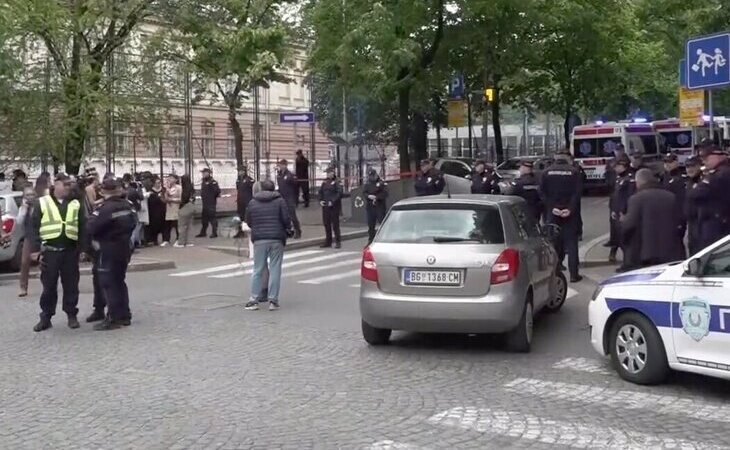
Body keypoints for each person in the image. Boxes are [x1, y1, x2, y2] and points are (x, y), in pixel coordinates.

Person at [29, 173, 84, 332]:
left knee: (71, 285)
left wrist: (83, 248)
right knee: (49, 286)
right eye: (65, 184)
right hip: (50, 251)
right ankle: (46, 317)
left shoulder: (75, 203)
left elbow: (82, 226)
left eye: (69, 185)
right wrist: (35, 249)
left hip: (70, 251)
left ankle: (71, 314)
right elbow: (33, 228)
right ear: (56, 184)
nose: (68, 188)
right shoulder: (42, 203)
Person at [85, 176, 137, 330]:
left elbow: (91, 228)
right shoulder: (128, 205)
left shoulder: (104, 209)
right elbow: (134, 223)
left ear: (103, 191)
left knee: (109, 283)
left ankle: (113, 317)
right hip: (124, 248)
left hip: (107, 249)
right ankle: (124, 315)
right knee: (120, 281)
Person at [243, 180, 293, 311]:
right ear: (273, 189)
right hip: (277, 238)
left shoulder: (253, 202)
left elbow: (248, 220)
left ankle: (254, 299)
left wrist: (257, 227)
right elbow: (286, 219)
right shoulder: (280, 201)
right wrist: (288, 229)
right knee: (275, 268)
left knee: (257, 269)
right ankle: (273, 301)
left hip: (259, 239)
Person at [621, 169, 684, 268]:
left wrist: (623, 221)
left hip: (646, 254)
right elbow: (681, 221)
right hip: (671, 252)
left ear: (639, 182)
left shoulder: (636, 199)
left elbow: (629, 226)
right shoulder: (671, 196)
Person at [540, 152, 583, 282]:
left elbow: (542, 192)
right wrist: (569, 209)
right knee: (572, 243)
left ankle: (555, 272)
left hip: (553, 213)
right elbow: (577, 193)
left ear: (555, 160)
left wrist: (552, 207)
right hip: (570, 214)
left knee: (554, 243)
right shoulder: (574, 172)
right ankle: (574, 275)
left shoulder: (546, 173)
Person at [686, 145, 730, 250]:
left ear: (718, 156)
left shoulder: (721, 174)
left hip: (719, 226)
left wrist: (705, 180)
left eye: (706, 157)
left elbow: (696, 194)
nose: (703, 161)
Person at [607, 156, 634, 267]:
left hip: (624, 213)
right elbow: (615, 196)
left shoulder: (629, 179)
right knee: (620, 239)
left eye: (618, 166)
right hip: (617, 212)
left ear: (623, 165)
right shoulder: (619, 178)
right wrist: (613, 209)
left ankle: (628, 263)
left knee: (626, 241)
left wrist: (624, 211)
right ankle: (626, 262)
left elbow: (629, 197)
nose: (615, 168)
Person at [661, 152, 688, 258]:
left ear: (676, 162)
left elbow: (681, 200)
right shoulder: (664, 176)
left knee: (677, 241)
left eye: (670, 162)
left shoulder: (680, 178)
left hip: (677, 216)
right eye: (666, 162)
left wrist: (680, 220)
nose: (667, 164)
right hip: (666, 214)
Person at [18, 184, 39, 298]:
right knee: (24, 262)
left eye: (31, 194)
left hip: (40, 236)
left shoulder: (39, 204)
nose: (30, 197)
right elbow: (19, 222)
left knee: (44, 262)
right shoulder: (23, 208)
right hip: (29, 237)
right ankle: (23, 287)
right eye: (27, 195)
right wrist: (24, 209)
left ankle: (48, 284)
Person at [276, 159, 302, 239]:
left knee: (292, 216)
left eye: (281, 165)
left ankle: (298, 231)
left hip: (290, 198)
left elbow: (296, 186)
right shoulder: (279, 175)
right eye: (279, 165)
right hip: (282, 198)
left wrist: (296, 197)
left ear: (285, 165)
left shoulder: (290, 175)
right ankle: (287, 231)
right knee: (283, 216)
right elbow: (280, 187)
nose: (280, 166)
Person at [319, 167, 344, 249]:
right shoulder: (325, 181)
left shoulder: (337, 181)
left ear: (332, 173)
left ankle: (338, 241)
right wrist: (320, 200)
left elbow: (339, 193)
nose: (328, 174)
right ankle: (328, 241)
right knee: (326, 224)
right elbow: (320, 192)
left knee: (335, 225)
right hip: (325, 206)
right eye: (327, 173)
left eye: (329, 173)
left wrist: (332, 201)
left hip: (334, 207)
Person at [684, 156, 704, 256]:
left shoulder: (705, 181)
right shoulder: (688, 183)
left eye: (692, 166)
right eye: (687, 166)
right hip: (692, 225)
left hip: (703, 225)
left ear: (699, 166)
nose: (689, 169)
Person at [363, 168, 388, 244]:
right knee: (371, 225)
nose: (371, 177)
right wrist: (368, 196)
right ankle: (371, 240)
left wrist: (377, 197)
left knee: (382, 223)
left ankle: (384, 239)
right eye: (370, 176)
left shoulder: (382, 183)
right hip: (370, 207)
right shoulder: (368, 184)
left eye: (373, 176)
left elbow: (385, 193)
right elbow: (364, 193)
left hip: (379, 206)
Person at [197, 168, 220, 238]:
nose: (203, 174)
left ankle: (214, 232)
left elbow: (217, 191)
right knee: (204, 218)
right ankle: (203, 232)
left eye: (204, 173)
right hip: (205, 203)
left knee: (212, 218)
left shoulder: (213, 182)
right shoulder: (203, 182)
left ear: (208, 173)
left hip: (211, 203)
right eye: (202, 173)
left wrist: (211, 197)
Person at [176, 174, 196, 248]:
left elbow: (184, 199)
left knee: (182, 225)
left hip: (185, 207)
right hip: (191, 206)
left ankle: (181, 242)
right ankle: (189, 242)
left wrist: (180, 207)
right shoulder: (191, 189)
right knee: (190, 225)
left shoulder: (185, 189)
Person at [146, 176, 166, 245]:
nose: (159, 184)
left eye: (160, 182)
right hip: (153, 210)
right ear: (153, 183)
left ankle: (165, 239)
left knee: (163, 224)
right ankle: (154, 239)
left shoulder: (163, 190)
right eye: (157, 183)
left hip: (162, 210)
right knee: (154, 225)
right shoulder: (150, 191)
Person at [235, 168, 254, 238]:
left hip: (247, 201)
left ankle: (249, 230)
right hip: (240, 202)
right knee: (240, 217)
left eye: (241, 171)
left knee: (248, 216)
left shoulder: (249, 180)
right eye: (239, 171)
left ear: (244, 171)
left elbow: (253, 189)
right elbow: (238, 190)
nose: (239, 172)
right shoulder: (238, 180)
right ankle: (240, 231)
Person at [163, 174, 181, 246]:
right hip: (169, 208)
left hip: (176, 207)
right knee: (167, 224)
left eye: (171, 178)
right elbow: (165, 197)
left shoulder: (179, 188)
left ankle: (178, 239)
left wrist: (172, 199)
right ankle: (166, 239)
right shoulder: (167, 188)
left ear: (176, 180)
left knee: (176, 224)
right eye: (169, 178)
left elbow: (180, 199)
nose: (170, 179)